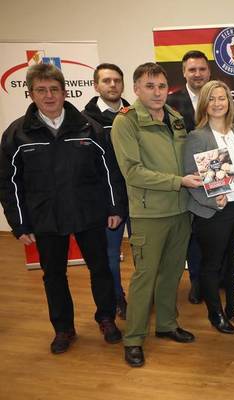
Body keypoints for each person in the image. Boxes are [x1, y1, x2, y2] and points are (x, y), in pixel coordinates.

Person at [0, 63, 125, 354]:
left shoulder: (89, 127)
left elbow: (110, 172)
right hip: (45, 217)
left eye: (54, 89)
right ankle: (63, 328)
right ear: (31, 94)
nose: (49, 96)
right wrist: (19, 224)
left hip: (89, 212)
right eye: (41, 90)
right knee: (53, 275)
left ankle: (106, 317)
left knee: (101, 269)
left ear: (64, 92)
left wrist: (114, 207)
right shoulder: (17, 134)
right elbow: (9, 183)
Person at [111, 62, 203, 367]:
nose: (157, 92)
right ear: (136, 89)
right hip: (149, 213)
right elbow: (133, 172)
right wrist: (179, 182)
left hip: (181, 209)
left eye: (162, 86)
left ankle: (167, 324)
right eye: (149, 86)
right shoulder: (126, 122)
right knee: (145, 277)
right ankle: (133, 339)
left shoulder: (174, 117)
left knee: (173, 272)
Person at [184, 80, 234, 334]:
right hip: (215, 212)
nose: (217, 103)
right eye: (212, 99)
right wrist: (210, 200)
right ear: (204, 104)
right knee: (212, 265)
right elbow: (191, 178)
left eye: (222, 98)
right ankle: (215, 314)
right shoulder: (197, 137)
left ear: (229, 102)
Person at [82, 63, 130, 319]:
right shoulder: (85, 121)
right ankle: (117, 299)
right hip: (108, 201)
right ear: (95, 85)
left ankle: (144, 296)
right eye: (106, 80)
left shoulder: (135, 114)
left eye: (117, 80)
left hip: (138, 196)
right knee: (110, 256)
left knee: (145, 254)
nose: (112, 85)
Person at [167, 50, 211, 305]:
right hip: (187, 179)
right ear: (184, 72)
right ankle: (196, 280)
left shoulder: (218, 96)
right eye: (192, 69)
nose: (197, 74)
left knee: (214, 230)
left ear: (209, 71)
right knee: (193, 233)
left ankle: (215, 278)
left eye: (202, 69)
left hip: (217, 175)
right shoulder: (170, 102)